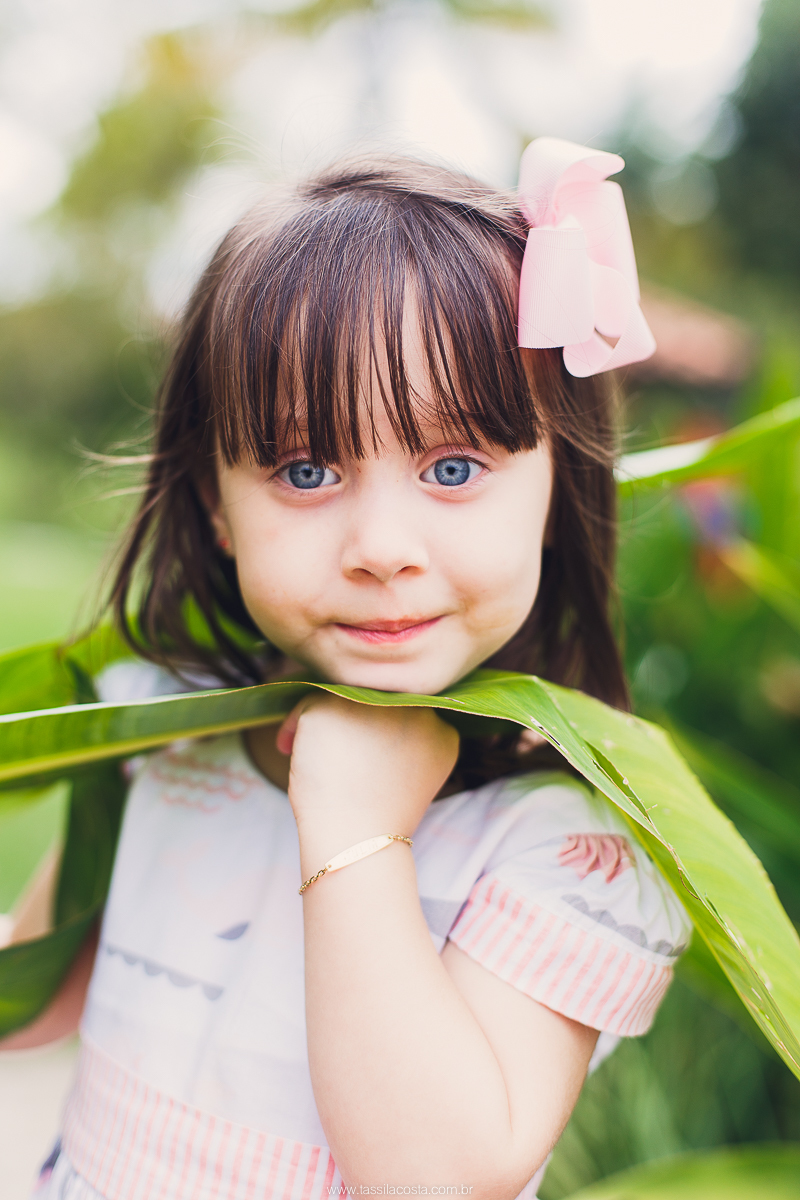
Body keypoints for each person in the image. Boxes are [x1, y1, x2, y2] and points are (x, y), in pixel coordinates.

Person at [15, 138, 691, 1200]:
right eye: (305, 468)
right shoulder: (160, 725)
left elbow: (437, 1178)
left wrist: (355, 834)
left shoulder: (571, 848)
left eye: (453, 467)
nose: (382, 544)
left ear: (555, 493)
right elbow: (36, 1002)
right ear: (212, 504)